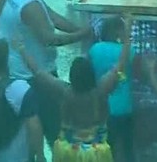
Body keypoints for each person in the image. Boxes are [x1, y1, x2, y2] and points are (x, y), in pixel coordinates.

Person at [0, 0, 92, 145]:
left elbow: (54, 18)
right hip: (36, 75)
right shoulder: (30, 6)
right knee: (53, 125)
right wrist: (83, 34)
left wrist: (77, 28)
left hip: (18, 69)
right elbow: (49, 39)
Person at [16, 15, 130, 162]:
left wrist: (21, 48)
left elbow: (37, 72)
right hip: (95, 152)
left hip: (68, 150)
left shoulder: (64, 91)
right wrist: (127, 35)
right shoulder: (101, 90)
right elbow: (120, 63)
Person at [88, 16, 136, 162]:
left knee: (106, 148)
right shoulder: (128, 51)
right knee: (127, 148)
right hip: (124, 107)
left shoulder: (94, 49)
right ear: (117, 32)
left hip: (102, 108)